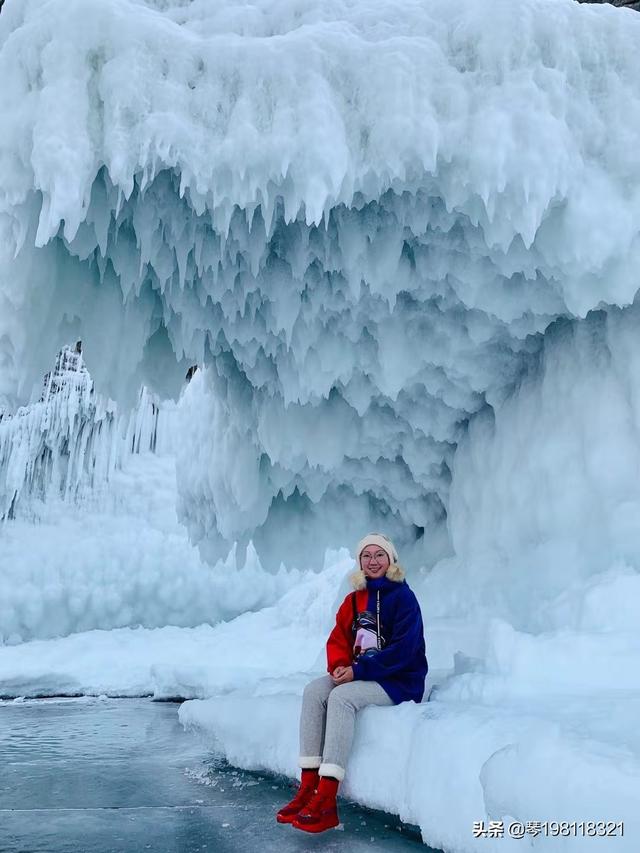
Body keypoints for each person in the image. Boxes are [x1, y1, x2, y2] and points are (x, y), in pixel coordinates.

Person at [276, 532, 428, 833]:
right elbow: (338, 640)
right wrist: (340, 666)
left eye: (379, 555)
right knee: (314, 691)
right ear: (360, 562)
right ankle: (308, 786)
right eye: (366, 556)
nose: (373, 561)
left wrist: (358, 671)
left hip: (399, 680)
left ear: (391, 559)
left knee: (341, 698)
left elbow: (404, 650)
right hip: (360, 672)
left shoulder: (404, 598)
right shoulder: (353, 599)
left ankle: (328, 798)